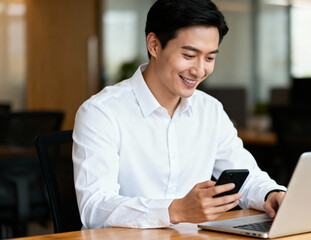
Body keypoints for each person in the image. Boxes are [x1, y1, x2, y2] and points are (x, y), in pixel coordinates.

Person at [73, 0, 286, 229]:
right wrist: (174, 210)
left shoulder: (210, 110)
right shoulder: (101, 113)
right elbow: (94, 207)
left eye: (210, 58)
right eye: (189, 55)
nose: (199, 70)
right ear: (154, 45)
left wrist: (271, 194)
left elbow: (247, 176)